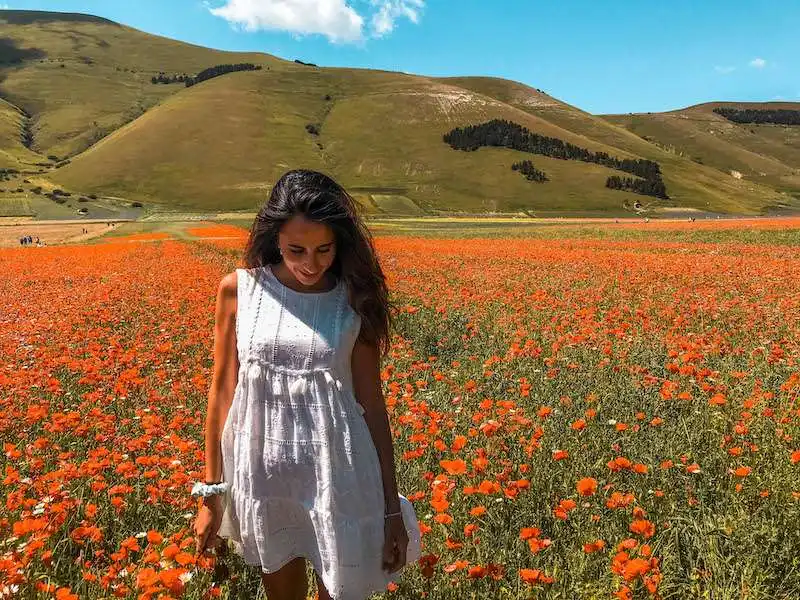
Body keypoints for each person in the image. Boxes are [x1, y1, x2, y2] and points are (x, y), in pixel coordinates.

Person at [193, 170, 421, 600]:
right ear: (274, 238)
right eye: (296, 249)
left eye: (324, 249)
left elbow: (371, 404)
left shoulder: (353, 300)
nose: (311, 264)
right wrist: (211, 493)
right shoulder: (239, 291)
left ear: (340, 244)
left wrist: (391, 506)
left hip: (336, 479)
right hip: (262, 479)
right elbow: (222, 392)